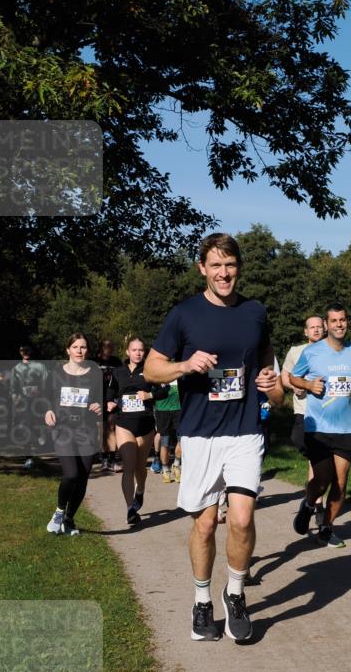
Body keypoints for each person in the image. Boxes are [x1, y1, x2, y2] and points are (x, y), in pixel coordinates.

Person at [144, 232, 283, 643]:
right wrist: (185, 365)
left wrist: (270, 383)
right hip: (200, 433)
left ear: (239, 268)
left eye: (231, 265)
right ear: (202, 268)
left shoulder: (255, 312)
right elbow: (152, 368)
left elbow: (270, 375)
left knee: (241, 518)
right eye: (216, 265)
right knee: (205, 526)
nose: (224, 273)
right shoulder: (184, 314)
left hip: (244, 431)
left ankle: (235, 593)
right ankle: (202, 601)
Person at [289, 303, 351, 548]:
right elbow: (293, 377)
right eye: (334, 321)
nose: (339, 324)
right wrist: (308, 385)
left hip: (345, 427)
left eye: (342, 319)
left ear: (347, 322)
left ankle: (326, 528)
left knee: (341, 482)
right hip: (318, 428)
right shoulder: (313, 352)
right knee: (322, 480)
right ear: (326, 324)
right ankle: (308, 504)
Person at [43, 333, 103, 535]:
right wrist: (48, 410)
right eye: (75, 347)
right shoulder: (56, 373)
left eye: (83, 347)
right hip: (63, 429)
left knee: (83, 478)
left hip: (87, 430)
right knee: (71, 474)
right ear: (67, 349)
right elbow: (46, 397)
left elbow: (101, 398)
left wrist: (99, 405)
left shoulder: (94, 374)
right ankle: (59, 512)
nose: (79, 350)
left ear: (88, 350)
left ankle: (69, 520)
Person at [108, 336, 160, 526]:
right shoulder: (118, 371)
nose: (138, 353)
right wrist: (109, 401)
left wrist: (149, 394)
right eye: (134, 350)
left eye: (141, 350)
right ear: (127, 352)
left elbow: (164, 391)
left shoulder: (150, 370)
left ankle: (140, 490)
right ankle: (130, 509)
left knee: (140, 467)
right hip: (124, 424)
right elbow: (111, 391)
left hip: (145, 425)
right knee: (129, 465)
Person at [282, 315, 326, 528]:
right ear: (305, 331)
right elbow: (284, 376)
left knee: (316, 459)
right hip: (304, 411)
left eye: (319, 327)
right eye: (312, 327)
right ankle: (313, 498)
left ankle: (317, 504)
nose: (316, 330)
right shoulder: (296, 351)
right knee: (303, 445)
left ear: (324, 329)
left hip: (326, 413)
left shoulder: (333, 351)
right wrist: (294, 386)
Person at [10, 345, 49, 469]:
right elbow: (13, 387)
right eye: (23, 350)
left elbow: (46, 384)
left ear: (31, 351)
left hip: (38, 401)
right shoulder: (16, 368)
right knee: (25, 427)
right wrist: (16, 401)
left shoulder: (40, 366)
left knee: (37, 427)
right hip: (23, 402)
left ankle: (40, 438)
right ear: (20, 352)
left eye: (27, 350)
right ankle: (28, 458)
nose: (25, 352)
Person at [94, 339, 122, 472]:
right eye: (106, 346)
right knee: (101, 429)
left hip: (112, 400)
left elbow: (121, 380)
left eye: (111, 346)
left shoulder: (116, 362)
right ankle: (104, 459)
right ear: (100, 347)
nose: (109, 349)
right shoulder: (93, 361)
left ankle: (112, 459)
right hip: (97, 400)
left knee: (111, 429)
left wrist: (116, 400)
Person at [153, 373, 182, 483]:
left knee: (182, 440)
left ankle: (176, 465)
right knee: (165, 442)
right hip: (162, 411)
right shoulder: (159, 368)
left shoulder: (179, 367)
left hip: (179, 409)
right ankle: (165, 469)